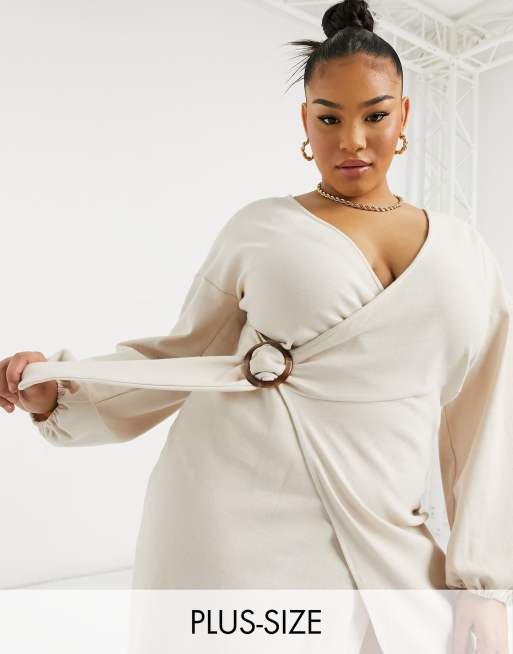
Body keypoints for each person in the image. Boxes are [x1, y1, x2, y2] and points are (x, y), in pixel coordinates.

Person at [2, 0, 511, 651]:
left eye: (375, 115)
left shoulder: (467, 254)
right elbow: (184, 355)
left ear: (404, 114)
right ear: (305, 121)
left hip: (386, 527)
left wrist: (484, 584)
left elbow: (485, 419)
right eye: (329, 117)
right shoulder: (262, 228)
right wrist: (61, 393)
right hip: (231, 517)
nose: (352, 140)